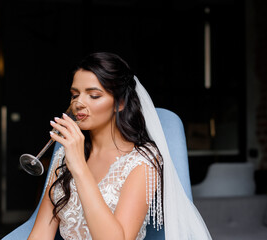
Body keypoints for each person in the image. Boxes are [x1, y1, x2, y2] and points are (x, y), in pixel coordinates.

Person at [28, 52, 211, 240]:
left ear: (121, 102)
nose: (79, 103)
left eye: (93, 95)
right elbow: (41, 233)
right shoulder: (64, 157)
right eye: (75, 95)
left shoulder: (143, 160)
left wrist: (80, 168)